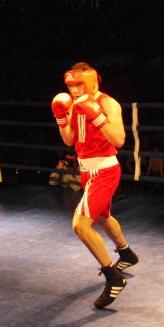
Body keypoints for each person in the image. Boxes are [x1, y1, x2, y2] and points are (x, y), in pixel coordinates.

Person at [51, 62, 139, 309]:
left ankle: (114, 277)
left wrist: (97, 116)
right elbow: (70, 139)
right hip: (85, 171)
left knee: (80, 225)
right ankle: (126, 253)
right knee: (102, 216)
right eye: (70, 85)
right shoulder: (73, 104)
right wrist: (61, 116)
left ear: (92, 82)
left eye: (79, 84)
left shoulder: (108, 103)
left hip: (105, 171)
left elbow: (119, 139)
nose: (74, 90)